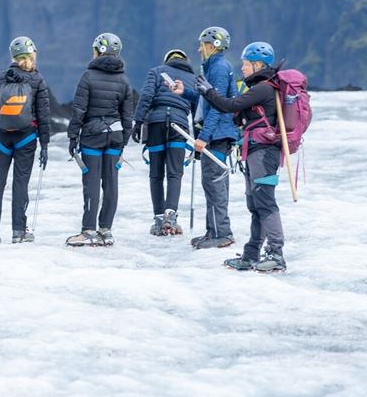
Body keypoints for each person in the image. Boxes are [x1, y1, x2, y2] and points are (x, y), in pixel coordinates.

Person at [182, 42, 286, 272]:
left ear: (258, 65)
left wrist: (208, 91)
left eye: (247, 64)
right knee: (255, 203)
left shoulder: (263, 88)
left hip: (264, 154)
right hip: (255, 151)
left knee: (265, 203)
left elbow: (229, 106)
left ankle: (276, 254)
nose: (243, 68)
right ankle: (251, 255)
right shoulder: (260, 88)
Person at [65, 33, 135, 247]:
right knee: (111, 183)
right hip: (115, 136)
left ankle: (88, 231)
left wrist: (72, 137)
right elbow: (127, 115)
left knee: (92, 183)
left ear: (97, 51)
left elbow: (79, 110)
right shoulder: (124, 79)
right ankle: (106, 230)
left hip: (92, 137)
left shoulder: (88, 76)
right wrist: (123, 140)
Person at [0, 36, 50, 244]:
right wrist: (45, 144)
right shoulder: (37, 80)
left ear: (13, 56)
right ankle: (18, 232)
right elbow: (44, 116)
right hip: (26, 138)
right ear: (32, 55)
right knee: (20, 184)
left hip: (1, 138)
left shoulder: (2, 78)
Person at [132, 49, 198, 237]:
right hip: (180, 126)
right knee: (175, 174)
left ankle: (159, 218)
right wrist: (199, 138)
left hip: (157, 124)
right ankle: (171, 216)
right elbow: (197, 111)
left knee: (156, 175)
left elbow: (146, 97)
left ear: (167, 61)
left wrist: (137, 122)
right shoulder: (193, 78)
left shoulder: (156, 71)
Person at [187, 26, 240, 249]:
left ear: (212, 45)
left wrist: (204, 137)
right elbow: (207, 101)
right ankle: (212, 231)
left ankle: (223, 233)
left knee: (215, 184)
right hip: (218, 134)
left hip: (217, 135)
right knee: (210, 183)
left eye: (202, 44)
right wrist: (185, 92)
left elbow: (218, 108)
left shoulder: (218, 68)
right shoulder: (214, 67)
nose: (199, 49)